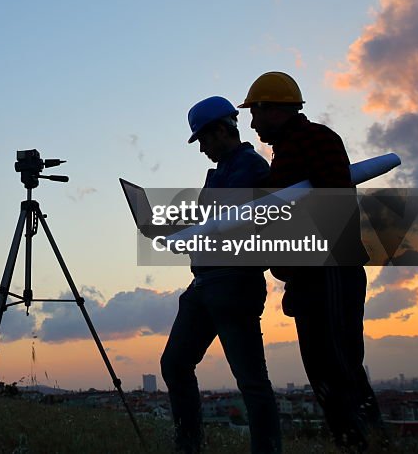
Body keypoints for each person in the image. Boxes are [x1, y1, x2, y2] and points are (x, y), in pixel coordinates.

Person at [239, 71, 385, 451]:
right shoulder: (287, 150)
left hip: (330, 273)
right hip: (309, 279)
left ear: (273, 109)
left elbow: (332, 207)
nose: (252, 124)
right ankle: (353, 443)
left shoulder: (316, 140)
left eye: (255, 113)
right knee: (323, 371)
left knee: (340, 368)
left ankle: (368, 444)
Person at [159, 96, 283, 454]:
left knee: (251, 380)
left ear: (220, 131)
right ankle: (189, 444)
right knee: (175, 363)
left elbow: (233, 217)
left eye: (203, 139)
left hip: (234, 283)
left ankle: (267, 450)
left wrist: (197, 228)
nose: (202, 149)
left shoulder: (249, 166)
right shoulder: (223, 170)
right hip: (204, 283)